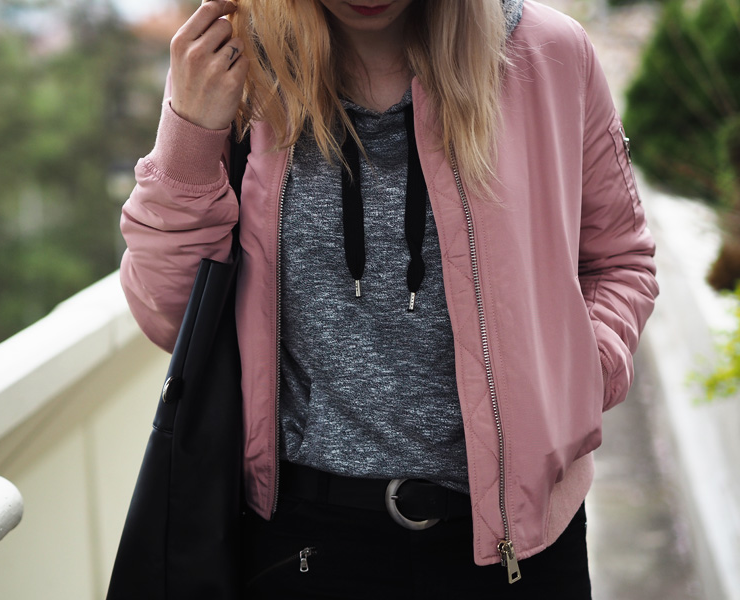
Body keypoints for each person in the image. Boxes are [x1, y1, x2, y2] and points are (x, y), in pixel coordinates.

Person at [119, 0, 658, 597]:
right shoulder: (241, 74)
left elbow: (619, 260)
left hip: (520, 543)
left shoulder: (548, 54)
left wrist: (580, 378)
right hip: (302, 542)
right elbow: (172, 314)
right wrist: (189, 135)